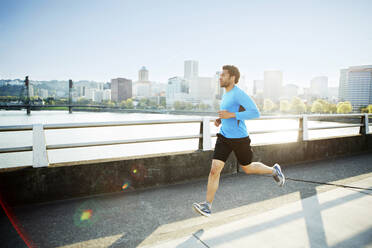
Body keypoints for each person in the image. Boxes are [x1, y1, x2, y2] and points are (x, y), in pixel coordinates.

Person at [192, 65, 285, 217]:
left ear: (232, 78)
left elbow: (255, 113)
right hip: (224, 137)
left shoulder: (238, 93)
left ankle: (274, 170)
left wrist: (231, 115)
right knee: (214, 169)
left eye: (223, 75)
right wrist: (220, 119)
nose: (220, 77)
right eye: (220, 75)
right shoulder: (226, 94)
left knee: (247, 168)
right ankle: (207, 206)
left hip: (240, 139)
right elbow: (230, 113)